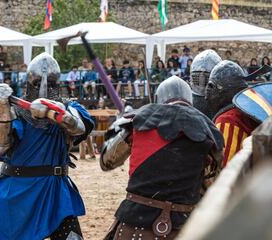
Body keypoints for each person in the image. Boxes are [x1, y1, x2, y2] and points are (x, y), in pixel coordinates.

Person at [101, 76, 223, 240]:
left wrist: (125, 128)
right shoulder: (207, 129)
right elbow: (212, 185)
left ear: (159, 98)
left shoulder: (140, 119)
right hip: (181, 227)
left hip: (135, 223)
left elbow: (106, 162)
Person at [0, 52, 94, 239]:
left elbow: (80, 128)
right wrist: (3, 113)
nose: (45, 87)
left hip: (55, 193)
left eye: (52, 84)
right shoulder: (16, 110)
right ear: (29, 84)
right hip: (18, 193)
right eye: (38, 83)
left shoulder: (70, 107)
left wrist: (58, 112)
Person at [205, 60, 260, 167]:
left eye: (211, 87)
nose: (207, 95)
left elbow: (224, 169)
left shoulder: (228, 120)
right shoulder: (248, 110)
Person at [190, 49, 222, 119]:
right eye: (198, 74)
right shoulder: (188, 100)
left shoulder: (220, 101)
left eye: (206, 75)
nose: (202, 76)